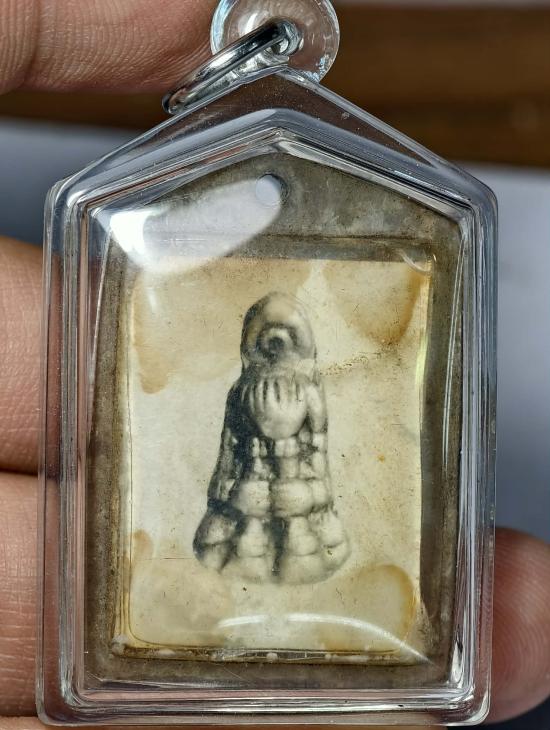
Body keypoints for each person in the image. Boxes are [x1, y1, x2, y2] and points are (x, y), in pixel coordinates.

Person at [0, 1, 549, 726]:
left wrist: (303, 465)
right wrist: (235, 481)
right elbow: (232, 446)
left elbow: (317, 440)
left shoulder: (313, 383)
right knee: (241, 541)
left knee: (308, 545)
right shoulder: (242, 388)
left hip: (305, 490)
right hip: (249, 487)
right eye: (269, 336)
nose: (279, 347)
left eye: (290, 336)